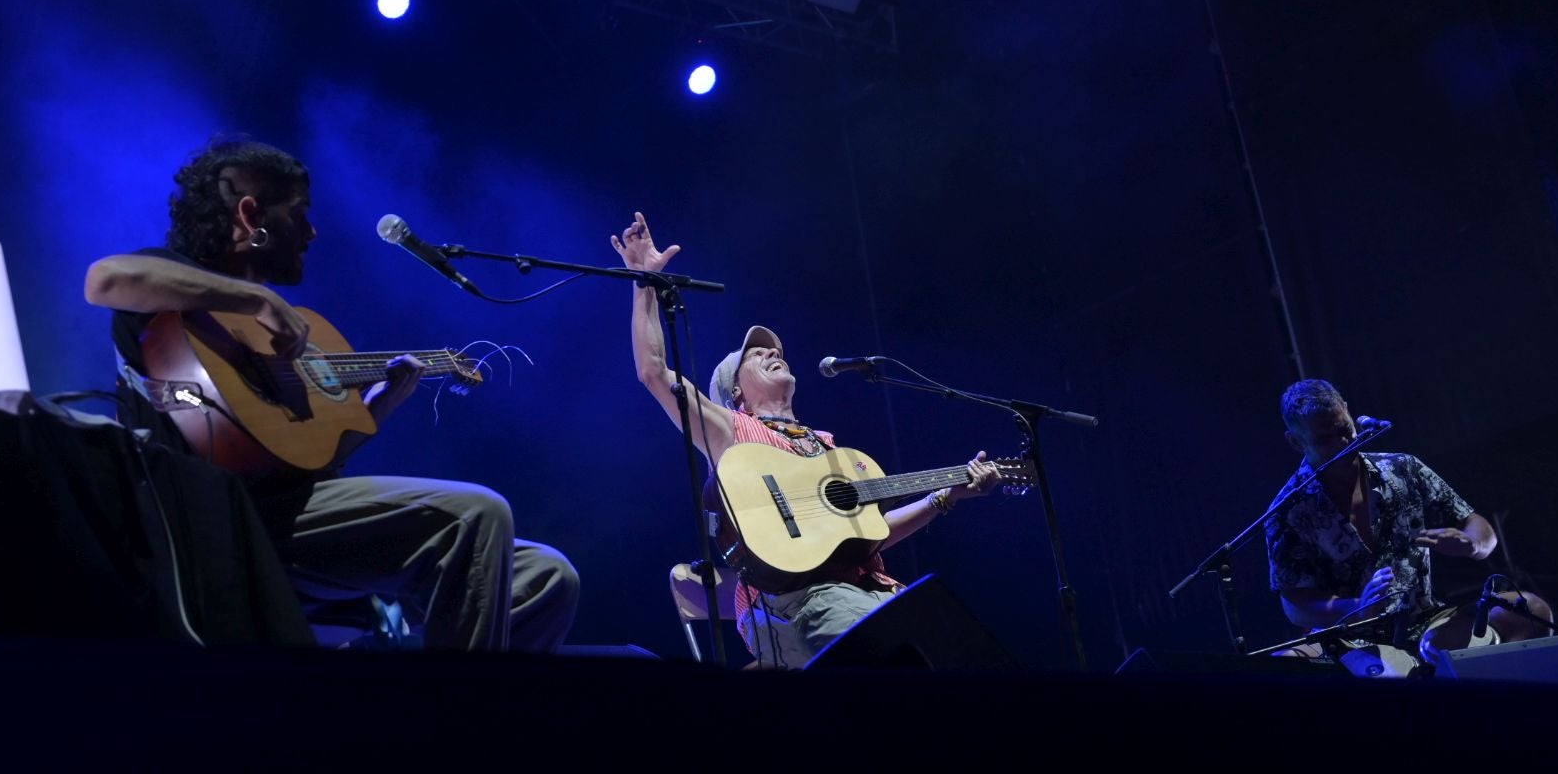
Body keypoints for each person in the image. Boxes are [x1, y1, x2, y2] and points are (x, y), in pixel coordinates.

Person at [85, 136, 579, 652]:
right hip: (215, 523)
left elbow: (305, 463)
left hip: (289, 524)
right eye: (298, 214)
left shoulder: (296, 338)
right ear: (251, 214)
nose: (311, 232)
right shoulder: (176, 290)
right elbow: (104, 279)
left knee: (546, 577)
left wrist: (381, 405)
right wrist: (255, 298)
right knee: (478, 514)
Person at [611, 210, 1002, 668]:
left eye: (775, 350)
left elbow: (865, 537)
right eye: (757, 354)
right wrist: (644, 283)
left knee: (963, 655)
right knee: (898, 658)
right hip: (793, 599)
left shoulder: (828, 449)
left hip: (870, 591)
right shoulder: (732, 430)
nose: (774, 353)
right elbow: (653, 372)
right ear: (736, 391)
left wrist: (947, 495)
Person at [1265, 378, 1552, 674]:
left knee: (1531, 611)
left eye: (1344, 429)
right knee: (1278, 670)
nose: (1342, 443)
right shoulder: (1287, 511)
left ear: (1349, 412)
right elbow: (1295, 605)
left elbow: (1477, 526)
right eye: (1325, 439)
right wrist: (1355, 607)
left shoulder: (1403, 468)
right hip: (1350, 638)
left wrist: (1471, 544)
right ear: (1296, 442)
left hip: (1428, 620)